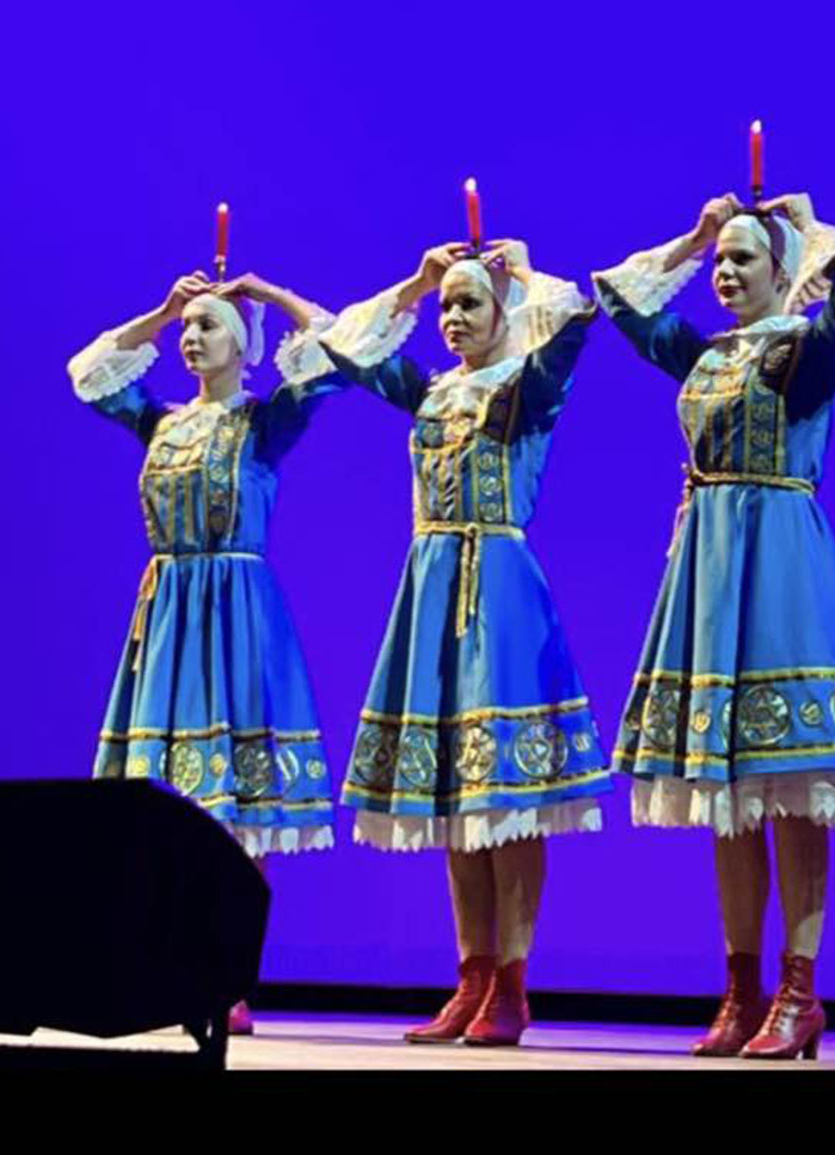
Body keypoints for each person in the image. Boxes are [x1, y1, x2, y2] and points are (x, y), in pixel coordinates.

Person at [593, 192, 835, 1060]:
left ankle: (800, 993)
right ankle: (741, 988)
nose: (725, 274)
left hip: (781, 572)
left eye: (740, 260)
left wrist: (806, 229)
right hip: (710, 573)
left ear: (781, 272)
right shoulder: (703, 358)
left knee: (795, 792)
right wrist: (692, 235)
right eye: (720, 262)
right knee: (727, 801)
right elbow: (620, 297)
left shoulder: (804, 353)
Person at [293, 239, 611, 1046]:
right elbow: (341, 348)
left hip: (498, 587)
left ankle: (512, 979)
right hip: (431, 585)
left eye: (471, 303)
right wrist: (414, 282)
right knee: (450, 800)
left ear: (504, 312)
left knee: (505, 799)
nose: (454, 317)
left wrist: (526, 268)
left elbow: (574, 320)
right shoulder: (431, 394)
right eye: (448, 308)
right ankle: (469, 974)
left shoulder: (524, 392)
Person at [68, 269, 340, 1033]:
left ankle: (227, 971)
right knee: (164, 803)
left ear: (244, 345)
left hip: (234, 616)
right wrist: (158, 310)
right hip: (166, 615)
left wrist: (274, 294)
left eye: (208, 325)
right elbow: (88, 374)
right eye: (188, 328)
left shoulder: (264, 423)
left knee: (237, 812)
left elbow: (335, 347)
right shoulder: (161, 423)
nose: (192, 337)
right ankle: (165, 962)